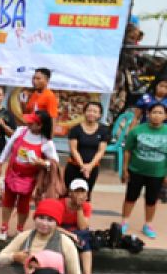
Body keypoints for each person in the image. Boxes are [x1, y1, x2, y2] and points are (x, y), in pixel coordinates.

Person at [0, 199, 82, 274]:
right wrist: (14, 257)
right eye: (41, 217)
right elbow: (1, 258)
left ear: (57, 223)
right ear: (34, 218)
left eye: (50, 220)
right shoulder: (25, 236)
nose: (44, 223)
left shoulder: (65, 243)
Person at [0, 110, 57, 240]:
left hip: (29, 178)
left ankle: (20, 229)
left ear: (40, 125)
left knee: (23, 204)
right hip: (12, 173)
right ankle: (4, 227)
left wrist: (43, 162)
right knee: (8, 200)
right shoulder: (21, 131)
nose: (28, 123)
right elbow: (8, 147)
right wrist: (0, 163)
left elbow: (54, 163)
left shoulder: (46, 142)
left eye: (32, 122)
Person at [120, 101, 167, 239]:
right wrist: (125, 169)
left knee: (151, 200)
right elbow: (127, 151)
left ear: (165, 116)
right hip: (136, 171)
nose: (157, 115)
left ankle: (148, 224)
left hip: (157, 173)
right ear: (148, 114)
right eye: (154, 112)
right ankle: (124, 221)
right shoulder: (137, 130)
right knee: (130, 197)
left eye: (160, 113)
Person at [64, 101, 110, 197]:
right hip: (74, 166)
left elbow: (101, 151)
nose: (91, 113)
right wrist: (83, 166)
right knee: (69, 195)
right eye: (89, 110)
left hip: (92, 168)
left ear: (99, 115)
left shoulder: (104, 130)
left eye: (95, 111)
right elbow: (74, 149)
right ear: (84, 112)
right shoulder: (75, 129)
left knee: (86, 196)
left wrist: (89, 166)